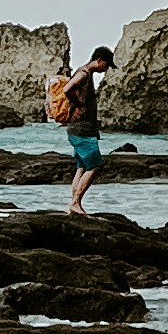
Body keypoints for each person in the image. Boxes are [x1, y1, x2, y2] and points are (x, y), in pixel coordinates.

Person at [51, 46, 118, 214]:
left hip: (77, 128)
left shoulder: (85, 73)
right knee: (95, 165)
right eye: (107, 65)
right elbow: (66, 89)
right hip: (82, 128)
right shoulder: (84, 73)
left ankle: (74, 205)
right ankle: (75, 203)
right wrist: (78, 103)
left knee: (81, 166)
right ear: (99, 60)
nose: (106, 69)